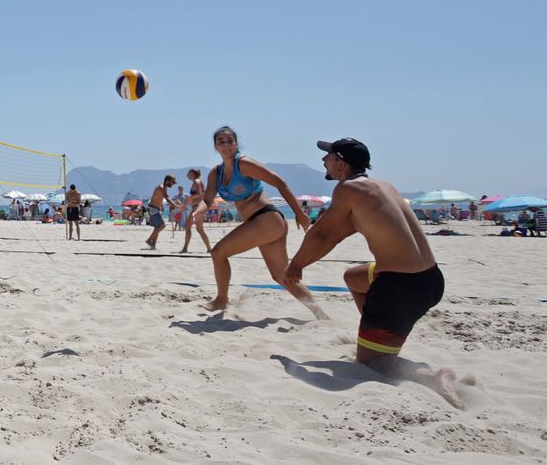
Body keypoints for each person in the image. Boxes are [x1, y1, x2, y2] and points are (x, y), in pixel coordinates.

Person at [285, 138, 467, 407]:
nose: (324, 161)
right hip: (431, 279)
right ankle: (375, 333)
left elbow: (322, 232)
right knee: (353, 277)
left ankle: (433, 375)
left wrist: (296, 266)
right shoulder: (384, 187)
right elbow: (334, 237)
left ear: (341, 163)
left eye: (328, 156)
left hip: (401, 286)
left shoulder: (347, 188)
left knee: (372, 362)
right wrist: (301, 263)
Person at [197, 126, 327, 319]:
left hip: (266, 218)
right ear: (215, 147)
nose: (226, 145)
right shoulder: (216, 173)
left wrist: (299, 213)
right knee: (281, 275)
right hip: (265, 224)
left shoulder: (245, 164)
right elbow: (207, 199)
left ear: (236, 143)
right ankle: (321, 315)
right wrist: (198, 212)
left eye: (230, 141)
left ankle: (221, 299)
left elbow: (280, 183)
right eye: (221, 142)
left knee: (218, 252)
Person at [178, 168, 213, 253]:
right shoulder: (199, 181)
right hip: (200, 207)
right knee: (200, 229)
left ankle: (185, 248)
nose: (187, 175)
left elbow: (199, 194)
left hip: (197, 207)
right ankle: (209, 249)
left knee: (187, 227)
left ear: (193, 173)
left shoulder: (196, 181)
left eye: (189, 173)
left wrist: (189, 199)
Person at [144, 174, 177, 249]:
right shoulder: (161, 187)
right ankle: (149, 240)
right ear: (167, 181)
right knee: (162, 226)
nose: (172, 184)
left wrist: (161, 205)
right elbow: (167, 198)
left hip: (155, 208)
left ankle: (153, 245)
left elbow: (160, 197)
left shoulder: (164, 188)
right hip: (153, 208)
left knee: (157, 227)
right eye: (172, 182)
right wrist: (176, 205)